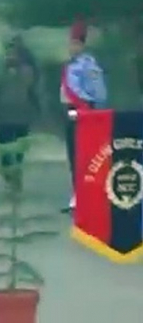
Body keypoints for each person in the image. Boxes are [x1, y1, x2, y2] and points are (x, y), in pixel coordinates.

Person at [60, 19, 107, 212]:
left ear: (82, 45)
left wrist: (86, 106)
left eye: (75, 44)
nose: (72, 47)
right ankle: (77, 195)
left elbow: (100, 92)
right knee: (73, 156)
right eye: (70, 44)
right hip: (69, 112)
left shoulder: (89, 65)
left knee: (83, 156)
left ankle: (86, 197)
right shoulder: (70, 64)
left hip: (83, 113)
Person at [0, 39, 38, 189]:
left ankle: (16, 174)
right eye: (7, 54)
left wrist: (36, 110)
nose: (9, 57)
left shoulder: (28, 72)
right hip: (4, 116)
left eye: (12, 53)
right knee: (5, 148)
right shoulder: (0, 72)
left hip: (21, 116)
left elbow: (34, 93)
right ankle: (8, 176)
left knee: (19, 149)